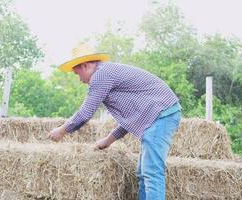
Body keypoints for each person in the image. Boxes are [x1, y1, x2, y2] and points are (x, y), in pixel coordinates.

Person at [48, 43, 182, 200]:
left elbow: (85, 113)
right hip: (157, 116)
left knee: (152, 172)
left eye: (78, 75)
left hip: (161, 115)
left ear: (85, 66)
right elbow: (133, 118)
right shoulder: (107, 73)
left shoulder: (101, 75)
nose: (80, 80)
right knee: (143, 173)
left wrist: (62, 130)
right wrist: (109, 140)